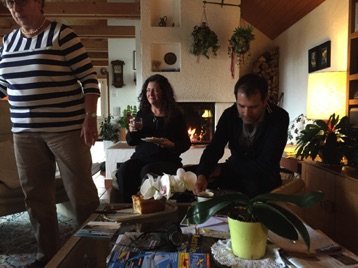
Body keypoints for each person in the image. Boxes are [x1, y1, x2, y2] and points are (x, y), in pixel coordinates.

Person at [0, 0, 100, 267]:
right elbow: (3, 84)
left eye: (21, 1)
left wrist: (90, 119)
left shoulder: (61, 35)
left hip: (65, 130)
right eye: (10, 2)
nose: (15, 7)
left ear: (38, 3)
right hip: (24, 133)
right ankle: (49, 256)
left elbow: (90, 81)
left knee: (82, 196)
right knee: (36, 197)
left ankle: (95, 253)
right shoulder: (8, 42)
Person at [192, 73, 289, 198]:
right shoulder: (229, 114)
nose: (246, 113)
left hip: (263, 175)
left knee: (251, 185)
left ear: (265, 101)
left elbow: (266, 164)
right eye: (241, 106)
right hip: (234, 169)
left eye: (253, 107)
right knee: (193, 174)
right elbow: (215, 147)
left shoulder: (279, 117)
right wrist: (202, 175)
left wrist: (223, 170)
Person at [116, 74, 191, 202]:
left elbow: (185, 143)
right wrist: (132, 131)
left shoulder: (174, 115)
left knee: (148, 171)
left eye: (155, 90)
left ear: (164, 93)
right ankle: (128, 207)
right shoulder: (142, 114)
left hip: (167, 161)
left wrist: (172, 145)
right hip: (141, 158)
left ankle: (150, 209)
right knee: (124, 170)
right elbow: (131, 141)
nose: (150, 94)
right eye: (148, 90)